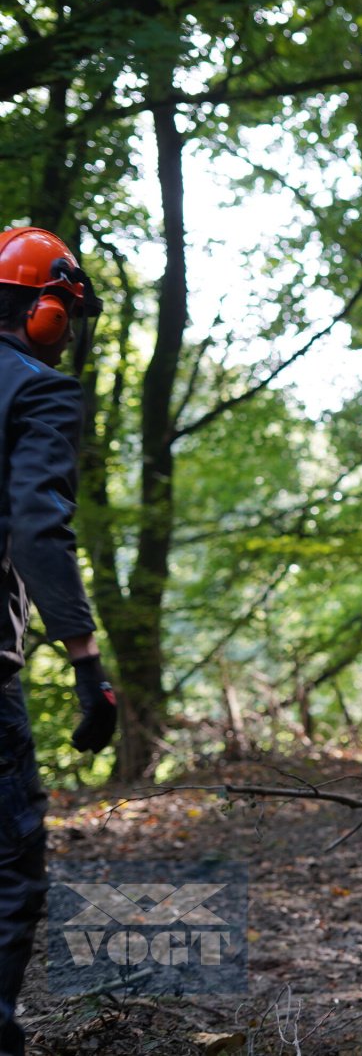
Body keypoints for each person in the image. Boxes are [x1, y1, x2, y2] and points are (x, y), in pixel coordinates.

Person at [0, 226, 117, 1055]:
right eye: (66, 315)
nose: (66, 331)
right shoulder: (39, 391)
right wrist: (87, 665)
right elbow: (39, 527)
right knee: (10, 860)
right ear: (43, 312)